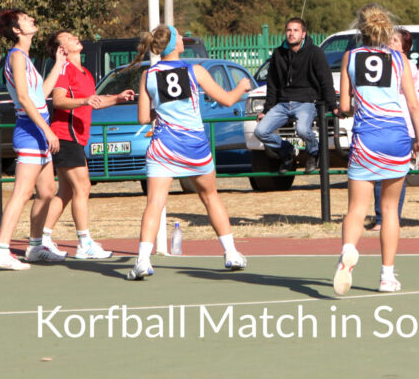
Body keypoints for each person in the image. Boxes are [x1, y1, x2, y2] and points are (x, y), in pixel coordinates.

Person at [125, 25, 252, 281]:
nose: (184, 38)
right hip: (194, 146)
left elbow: (141, 117)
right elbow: (227, 100)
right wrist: (242, 86)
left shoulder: (148, 75)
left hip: (164, 146)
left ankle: (142, 260)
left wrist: (161, 111)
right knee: (210, 197)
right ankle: (231, 253)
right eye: (179, 35)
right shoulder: (195, 71)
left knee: (155, 204)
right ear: (174, 44)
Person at [333, 5, 419, 295]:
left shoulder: (350, 56)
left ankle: (348, 251)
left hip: (366, 138)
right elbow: (412, 104)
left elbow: (346, 106)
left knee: (357, 209)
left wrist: (343, 110)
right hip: (396, 137)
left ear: (360, 29)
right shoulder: (399, 59)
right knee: (389, 210)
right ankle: (387, 276)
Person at [38, 31, 135, 260]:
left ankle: (42, 239)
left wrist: (118, 98)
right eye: (68, 38)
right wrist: (83, 100)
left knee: (66, 191)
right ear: (62, 49)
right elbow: (59, 100)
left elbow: (94, 102)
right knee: (83, 187)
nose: (75, 38)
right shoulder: (64, 71)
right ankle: (84, 242)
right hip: (65, 135)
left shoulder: (86, 73)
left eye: (74, 36)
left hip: (78, 138)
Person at [0, 9, 67, 270]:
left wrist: (59, 64)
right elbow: (23, 98)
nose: (32, 19)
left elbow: (39, 94)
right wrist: (47, 129)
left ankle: (34, 247)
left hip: (38, 129)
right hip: (31, 130)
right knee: (22, 193)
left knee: (47, 192)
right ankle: (1, 250)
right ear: (16, 30)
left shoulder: (26, 58)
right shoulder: (17, 56)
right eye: (25, 19)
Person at [254, 18, 338, 173]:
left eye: (296, 30)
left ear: (303, 34)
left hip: (307, 102)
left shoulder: (315, 53)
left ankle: (314, 152)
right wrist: (266, 110)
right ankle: (288, 152)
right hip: (283, 103)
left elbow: (326, 81)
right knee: (260, 131)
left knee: (302, 129)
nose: (291, 34)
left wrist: (333, 106)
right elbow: (272, 85)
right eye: (289, 30)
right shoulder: (278, 54)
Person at [368, 27, 415, 231]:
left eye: (395, 41)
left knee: (396, 176)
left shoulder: (409, 67)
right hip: (380, 123)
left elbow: (401, 93)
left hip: (402, 126)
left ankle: (392, 217)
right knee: (378, 175)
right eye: (389, 40)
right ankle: (380, 218)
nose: (391, 44)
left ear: (404, 46)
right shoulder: (380, 64)